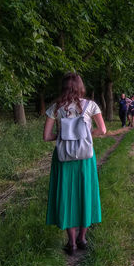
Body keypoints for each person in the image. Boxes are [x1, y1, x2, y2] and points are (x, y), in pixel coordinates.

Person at [43, 72, 106, 255]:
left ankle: (71, 243)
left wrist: (63, 137)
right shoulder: (91, 105)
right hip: (85, 157)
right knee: (85, 193)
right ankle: (82, 238)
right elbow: (102, 130)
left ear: (63, 87)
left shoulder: (55, 108)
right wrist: (85, 136)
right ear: (80, 87)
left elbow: (46, 137)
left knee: (67, 196)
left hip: (63, 158)